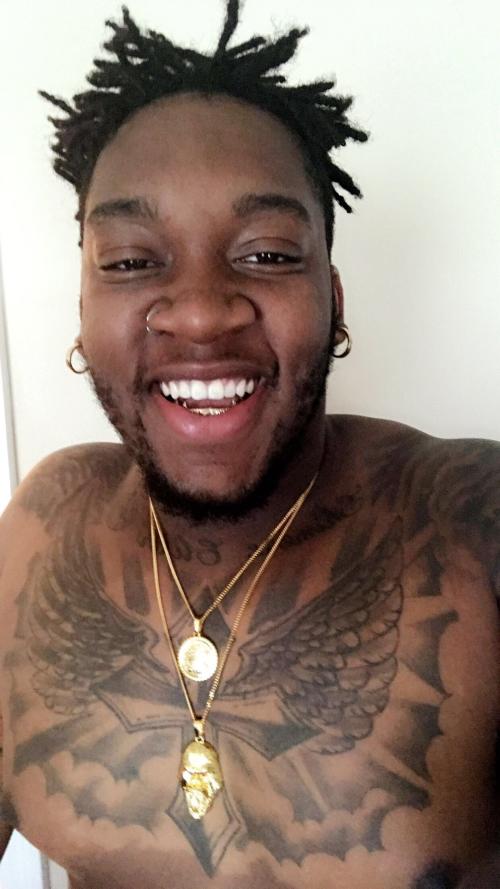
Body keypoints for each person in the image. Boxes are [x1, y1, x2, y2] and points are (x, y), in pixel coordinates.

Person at [0, 2, 498, 887]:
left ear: (335, 302)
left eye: (266, 254)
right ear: (81, 311)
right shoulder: (40, 526)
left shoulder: (470, 522)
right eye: (130, 260)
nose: (200, 312)